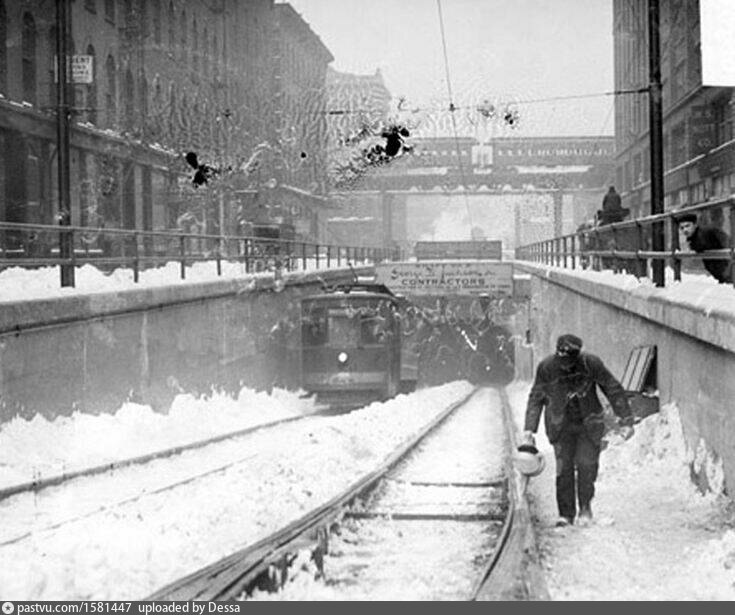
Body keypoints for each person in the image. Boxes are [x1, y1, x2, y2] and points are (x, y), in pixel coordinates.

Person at [521, 334, 635, 527]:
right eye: (563, 362)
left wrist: (626, 419)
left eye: (570, 362)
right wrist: (529, 429)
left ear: (577, 356)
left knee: (587, 466)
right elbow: (536, 397)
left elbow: (612, 388)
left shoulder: (590, 364)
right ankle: (565, 515)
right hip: (560, 425)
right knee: (563, 469)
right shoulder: (547, 368)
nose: (566, 366)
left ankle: (585, 508)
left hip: (589, 424)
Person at [676, 212, 732, 284]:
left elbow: (701, 245)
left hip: (727, 267)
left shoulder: (702, 234)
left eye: (687, 226)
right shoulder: (696, 236)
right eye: (682, 228)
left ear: (695, 225)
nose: (685, 230)